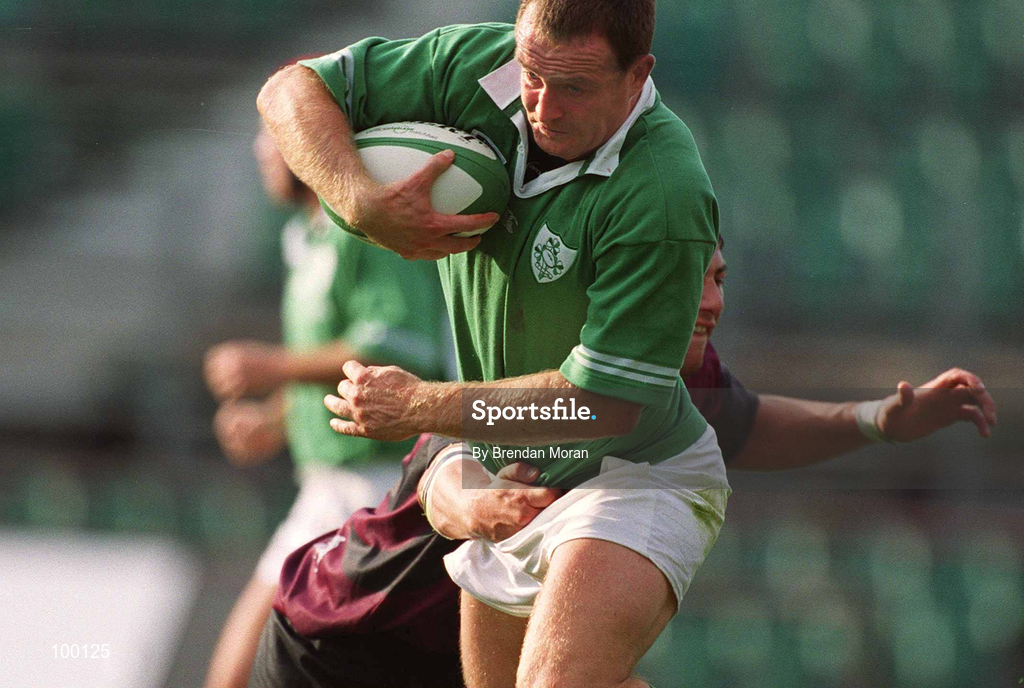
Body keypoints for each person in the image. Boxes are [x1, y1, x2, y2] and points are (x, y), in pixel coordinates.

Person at [258, 0, 725, 688]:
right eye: (531, 75)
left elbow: (601, 403)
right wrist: (359, 201)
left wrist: (419, 405)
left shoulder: (662, 188)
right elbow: (290, 90)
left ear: (639, 76)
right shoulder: (484, 69)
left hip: (631, 471)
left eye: (572, 87)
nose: (540, 105)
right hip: (505, 465)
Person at [247, 237, 996, 687]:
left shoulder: (674, 388)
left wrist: (879, 420)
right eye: (689, 280)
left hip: (457, 658)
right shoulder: (526, 374)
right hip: (339, 647)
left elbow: (753, 423)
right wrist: (486, 509)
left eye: (720, 278)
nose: (710, 301)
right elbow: (448, 478)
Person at [202, 124, 450, 688]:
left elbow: (396, 346)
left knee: (245, 671)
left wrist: (270, 367)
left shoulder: (366, 230)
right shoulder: (307, 237)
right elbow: (338, 371)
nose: (259, 149)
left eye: (270, 134)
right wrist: (278, 419)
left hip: (378, 488)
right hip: (328, 486)